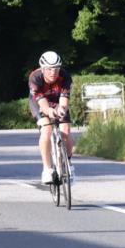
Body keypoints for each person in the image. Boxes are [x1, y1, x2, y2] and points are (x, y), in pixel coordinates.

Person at [28, 51, 74, 183]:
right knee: (46, 129)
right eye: (49, 69)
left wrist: (61, 109)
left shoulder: (65, 76)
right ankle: (47, 169)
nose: (53, 72)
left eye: (56, 69)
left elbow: (64, 100)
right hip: (39, 102)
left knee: (66, 130)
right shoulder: (35, 78)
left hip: (57, 100)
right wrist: (49, 111)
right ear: (42, 69)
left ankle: (68, 163)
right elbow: (42, 104)